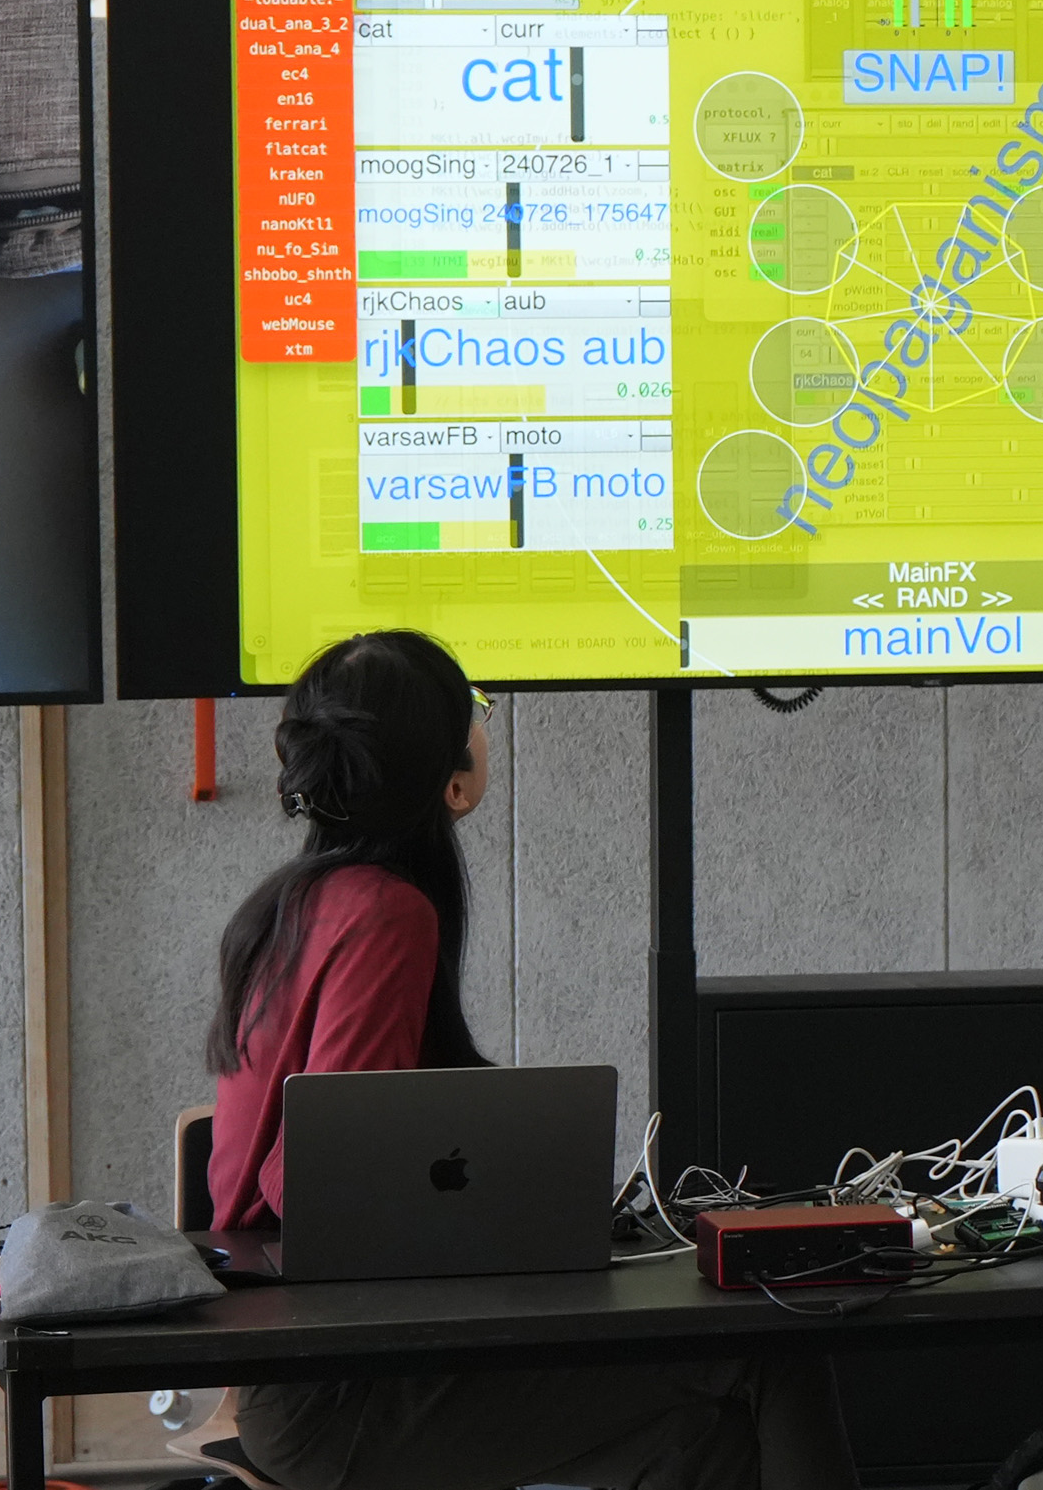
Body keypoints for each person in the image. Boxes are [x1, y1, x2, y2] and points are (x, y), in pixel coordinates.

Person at [209, 630, 859, 1490]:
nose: (484, 727)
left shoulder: (294, 903)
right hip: (339, 1389)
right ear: (447, 773)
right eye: (474, 708)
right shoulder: (385, 913)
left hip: (305, 1368)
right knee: (777, 1349)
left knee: (712, 1443)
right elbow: (321, 1180)